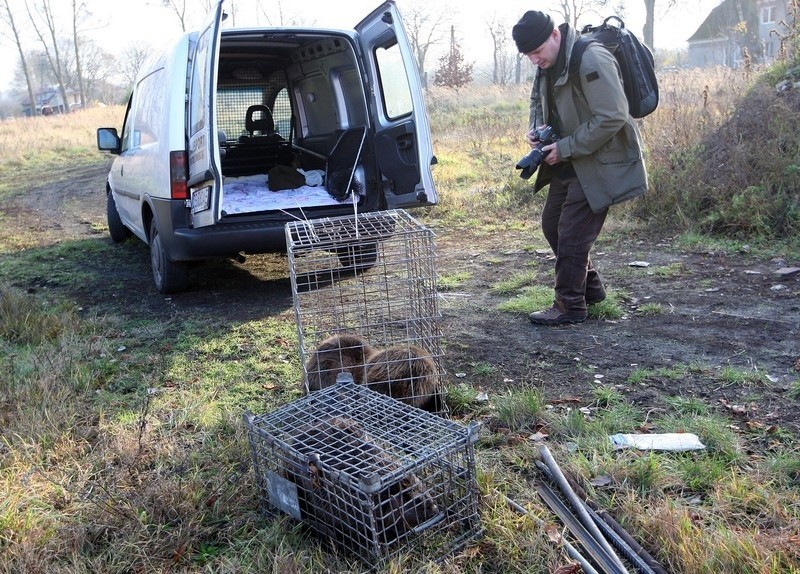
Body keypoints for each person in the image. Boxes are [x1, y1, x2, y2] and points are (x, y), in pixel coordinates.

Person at [512, 10, 648, 326]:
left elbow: (613, 116)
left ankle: (569, 306)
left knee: (572, 235)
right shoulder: (548, 62)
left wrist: (566, 147)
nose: (534, 59)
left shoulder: (591, 58)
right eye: (528, 55)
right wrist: (536, 129)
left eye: (537, 51)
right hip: (569, 160)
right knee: (552, 224)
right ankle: (592, 289)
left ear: (555, 35)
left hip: (600, 161)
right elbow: (539, 102)